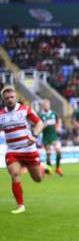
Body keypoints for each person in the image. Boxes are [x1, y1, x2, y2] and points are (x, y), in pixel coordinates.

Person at [0, 86, 44, 214]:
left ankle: (43, 169)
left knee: (38, 179)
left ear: (16, 97)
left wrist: (34, 136)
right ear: (3, 100)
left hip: (29, 150)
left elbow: (39, 123)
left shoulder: (25, 110)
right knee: (14, 174)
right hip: (12, 151)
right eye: (6, 98)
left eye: (11, 97)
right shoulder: (1, 115)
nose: (9, 100)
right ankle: (20, 205)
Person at [38, 99, 63, 176]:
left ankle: (58, 168)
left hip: (54, 136)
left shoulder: (53, 113)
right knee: (48, 153)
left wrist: (58, 127)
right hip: (45, 136)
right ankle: (48, 170)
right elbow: (38, 126)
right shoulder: (40, 115)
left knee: (59, 151)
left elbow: (59, 121)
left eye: (48, 105)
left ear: (49, 105)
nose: (46, 106)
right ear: (43, 106)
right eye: (45, 105)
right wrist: (43, 126)